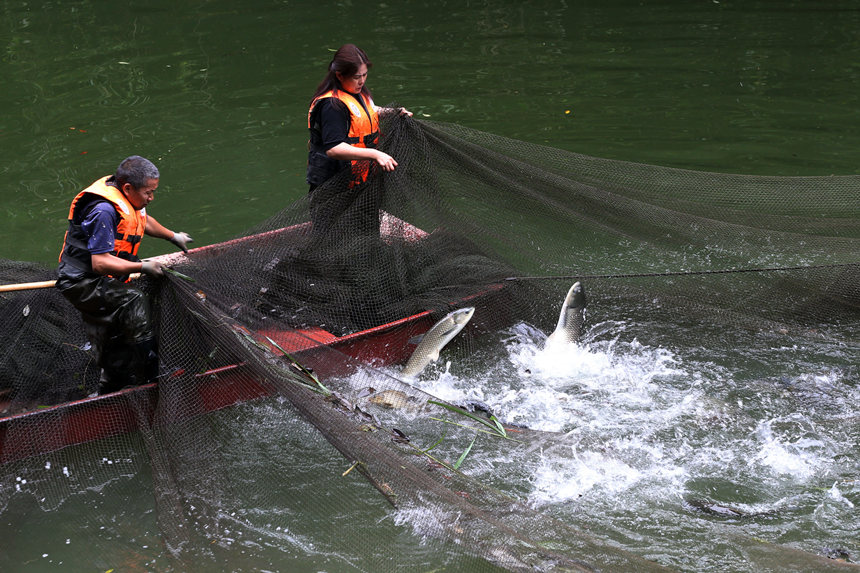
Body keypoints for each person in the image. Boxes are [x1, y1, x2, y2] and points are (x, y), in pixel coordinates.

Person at [56, 155, 193, 394]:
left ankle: (112, 385)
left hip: (105, 277)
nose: (151, 198)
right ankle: (154, 372)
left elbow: (143, 221)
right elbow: (99, 263)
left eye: (154, 192)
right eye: (148, 193)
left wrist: (173, 236)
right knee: (133, 299)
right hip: (81, 281)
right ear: (128, 188)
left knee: (116, 333)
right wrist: (142, 267)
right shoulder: (103, 211)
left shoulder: (129, 201)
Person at [306, 43, 412, 235]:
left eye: (364, 75)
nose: (362, 81)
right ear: (340, 75)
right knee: (335, 239)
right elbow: (334, 148)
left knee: (366, 235)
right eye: (357, 77)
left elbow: (367, 113)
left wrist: (393, 113)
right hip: (335, 186)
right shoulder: (332, 105)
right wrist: (375, 154)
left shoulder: (356, 92)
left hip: (360, 181)